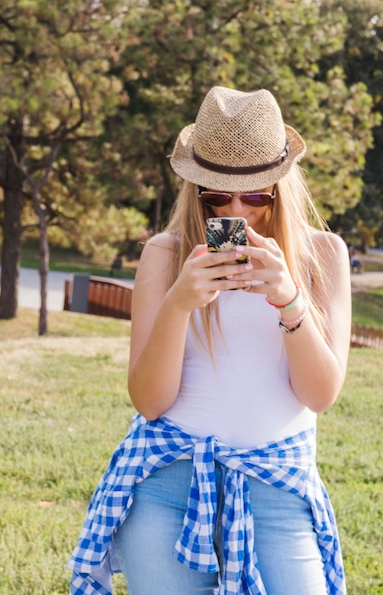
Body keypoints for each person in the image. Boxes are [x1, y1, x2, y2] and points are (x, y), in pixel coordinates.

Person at [68, 86, 351, 595]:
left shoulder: (322, 256)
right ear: (195, 187)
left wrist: (288, 298)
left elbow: (321, 394)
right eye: (217, 195)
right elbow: (150, 402)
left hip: (275, 484)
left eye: (255, 195)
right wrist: (179, 303)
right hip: (169, 481)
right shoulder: (166, 253)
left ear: (280, 187)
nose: (236, 210)